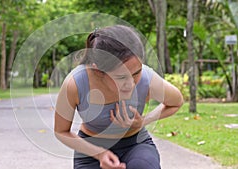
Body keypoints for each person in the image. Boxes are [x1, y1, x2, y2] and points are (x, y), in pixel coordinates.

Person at [54, 25, 184, 169]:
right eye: (121, 77)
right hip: (90, 149)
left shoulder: (147, 79)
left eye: (136, 73)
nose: (131, 84)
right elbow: (61, 131)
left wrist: (143, 121)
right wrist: (99, 154)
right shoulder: (76, 83)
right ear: (98, 69)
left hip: (135, 144)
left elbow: (176, 102)